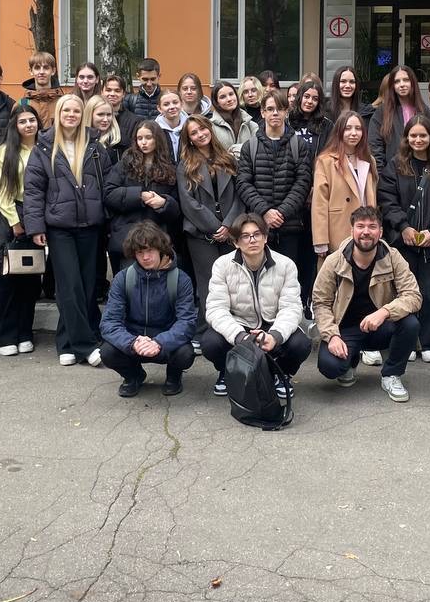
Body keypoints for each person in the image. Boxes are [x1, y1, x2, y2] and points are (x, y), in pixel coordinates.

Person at [23, 93, 107, 367]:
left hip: (91, 226)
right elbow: (33, 190)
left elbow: (106, 184)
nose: (71, 115)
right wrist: (35, 226)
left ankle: (66, 343)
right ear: (58, 114)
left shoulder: (95, 146)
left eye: (76, 110)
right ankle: (85, 345)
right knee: (69, 286)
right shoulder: (44, 148)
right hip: (60, 228)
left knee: (86, 286)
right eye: (66, 110)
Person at [312, 206, 422, 403]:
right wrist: (332, 335)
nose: (366, 231)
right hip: (345, 330)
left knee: (410, 323)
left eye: (372, 226)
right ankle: (350, 361)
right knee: (330, 367)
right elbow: (320, 303)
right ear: (351, 230)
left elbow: (413, 296)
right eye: (360, 226)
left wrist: (385, 312)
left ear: (380, 231)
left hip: (381, 327)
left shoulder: (393, 257)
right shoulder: (334, 261)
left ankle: (391, 375)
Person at [202, 213, 311, 397]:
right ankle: (228, 372)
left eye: (257, 234)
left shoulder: (286, 265)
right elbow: (215, 308)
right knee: (210, 342)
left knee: (301, 344)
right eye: (245, 236)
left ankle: (280, 374)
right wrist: (239, 336)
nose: (252, 240)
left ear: (265, 237)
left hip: (272, 323)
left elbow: (291, 308)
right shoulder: (222, 265)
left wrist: (275, 335)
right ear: (236, 242)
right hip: (239, 324)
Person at [98, 222, 196, 397]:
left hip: (165, 342)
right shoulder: (123, 278)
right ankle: (133, 376)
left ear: (161, 249)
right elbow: (109, 322)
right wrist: (133, 342)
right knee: (107, 352)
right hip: (135, 342)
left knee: (185, 353)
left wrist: (159, 342)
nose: (145, 257)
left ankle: (174, 376)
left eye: (150, 250)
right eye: (139, 252)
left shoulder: (181, 279)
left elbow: (187, 322)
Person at [378, 113, 430, 362]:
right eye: (413, 135)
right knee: (404, 293)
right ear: (406, 137)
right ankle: (406, 343)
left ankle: (428, 343)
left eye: (423, 135)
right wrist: (403, 227)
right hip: (402, 242)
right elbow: (387, 199)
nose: (418, 140)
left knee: (429, 293)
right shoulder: (395, 165)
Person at [236, 90, 312, 280]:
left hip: (290, 227)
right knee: (259, 279)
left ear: (287, 111)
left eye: (280, 109)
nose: (275, 113)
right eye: (270, 109)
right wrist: (265, 211)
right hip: (258, 227)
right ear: (262, 112)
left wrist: (281, 213)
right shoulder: (250, 147)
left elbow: (303, 182)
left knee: (288, 279)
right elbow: (243, 183)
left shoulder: (299, 145)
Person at [178, 115, 244, 332]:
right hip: (200, 233)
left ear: (209, 129)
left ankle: (234, 327)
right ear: (189, 139)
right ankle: (208, 330)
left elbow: (240, 195)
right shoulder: (185, 165)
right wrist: (215, 227)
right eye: (194, 133)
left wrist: (229, 225)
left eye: (202, 129)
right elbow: (188, 203)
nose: (200, 135)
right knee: (208, 281)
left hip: (230, 229)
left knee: (232, 280)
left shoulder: (228, 159)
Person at [0, 105, 43, 356]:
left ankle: (24, 332)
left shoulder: (44, 148)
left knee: (30, 278)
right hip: (11, 217)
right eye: (23, 121)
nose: (28, 125)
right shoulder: (5, 151)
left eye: (32, 120)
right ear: (15, 125)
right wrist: (15, 221)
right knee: (8, 279)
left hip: (37, 217)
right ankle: (5, 336)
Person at [105, 120, 180, 275]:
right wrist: (139, 196)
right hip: (127, 237)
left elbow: (178, 206)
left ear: (157, 139)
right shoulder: (125, 164)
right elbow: (109, 194)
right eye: (140, 138)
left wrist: (164, 203)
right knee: (129, 282)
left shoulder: (170, 168)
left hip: (158, 237)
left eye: (148, 137)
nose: (143, 142)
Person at [312, 110, 378, 264]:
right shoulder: (325, 161)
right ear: (339, 131)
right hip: (338, 229)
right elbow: (319, 203)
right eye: (348, 128)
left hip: (365, 229)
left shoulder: (369, 160)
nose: (353, 133)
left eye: (358, 128)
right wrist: (320, 241)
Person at [369, 65, 419, 168]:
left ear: (413, 83)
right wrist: (381, 173)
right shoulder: (381, 112)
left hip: (420, 172)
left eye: (406, 80)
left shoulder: (423, 111)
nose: (402, 85)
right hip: (391, 172)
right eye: (397, 81)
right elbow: (375, 145)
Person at [208, 81, 258, 157]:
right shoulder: (210, 127)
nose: (229, 99)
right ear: (216, 102)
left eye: (231, 94)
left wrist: (236, 149)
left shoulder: (251, 125)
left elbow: (257, 150)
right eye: (223, 97)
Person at [20, 50, 64, 131]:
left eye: (46, 68)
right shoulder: (22, 104)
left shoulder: (64, 102)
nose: (41, 72)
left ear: (53, 71)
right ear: (31, 71)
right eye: (37, 68)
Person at [289, 80, 332, 155]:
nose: (310, 101)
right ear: (300, 97)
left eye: (315, 99)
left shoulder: (327, 125)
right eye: (306, 96)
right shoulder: (288, 122)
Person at [83, 96, 123, 162]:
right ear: (90, 115)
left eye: (109, 115)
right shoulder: (79, 141)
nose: (105, 119)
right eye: (100, 114)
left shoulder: (120, 142)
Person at [154, 90, 186, 160]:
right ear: (159, 108)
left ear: (182, 104)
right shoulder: (154, 130)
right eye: (166, 104)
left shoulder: (190, 127)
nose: (172, 107)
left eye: (175, 102)